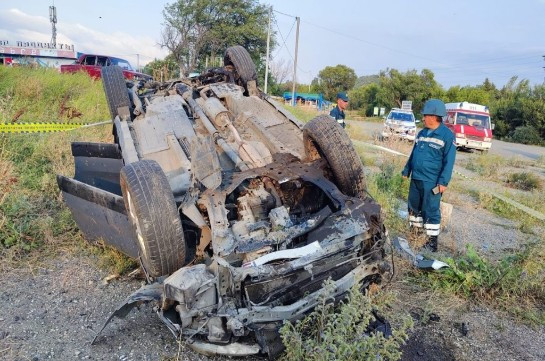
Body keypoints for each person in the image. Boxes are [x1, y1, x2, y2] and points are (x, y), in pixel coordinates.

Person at [401, 99, 456, 252]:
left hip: (432, 182)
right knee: (414, 207)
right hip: (416, 178)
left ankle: (432, 243)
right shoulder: (422, 133)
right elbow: (414, 154)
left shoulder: (447, 136)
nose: (423, 118)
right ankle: (415, 232)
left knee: (431, 209)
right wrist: (407, 170)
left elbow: (449, 161)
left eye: (425, 115)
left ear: (433, 116)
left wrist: (443, 182)